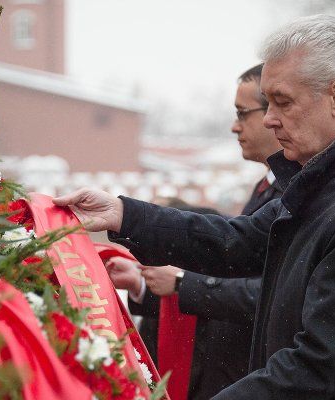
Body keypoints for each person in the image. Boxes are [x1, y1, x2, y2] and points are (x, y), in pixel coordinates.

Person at [55, 15, 335, 399]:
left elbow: (318, 369)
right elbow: (233, 241)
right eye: (268, 103)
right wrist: (124, 214)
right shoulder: (320, 188)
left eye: (283, 102)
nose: (270, 119)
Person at [106, 64, 283, 399]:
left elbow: (269, 293)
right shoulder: (266, 187)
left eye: (243, 114)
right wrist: (143, 281)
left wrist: (184, 283)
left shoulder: (292, 194)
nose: (235, 126)